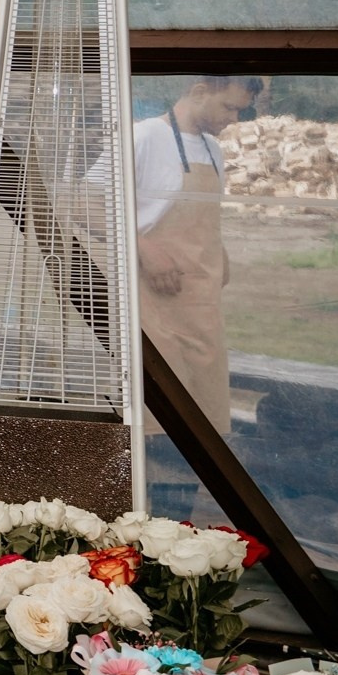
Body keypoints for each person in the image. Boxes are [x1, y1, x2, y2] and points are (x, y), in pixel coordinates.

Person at [135, 75, 267, 434]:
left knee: (205, 409)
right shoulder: (144, 137)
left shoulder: (213, 149)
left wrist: (218, 254)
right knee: (160, 406)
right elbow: (87, 203)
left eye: (240, 111)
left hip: (201, 303)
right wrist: (145, 249)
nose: (234, 119)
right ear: (198, 92)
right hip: (153, 300)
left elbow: (203, 217)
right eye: (229, 107)